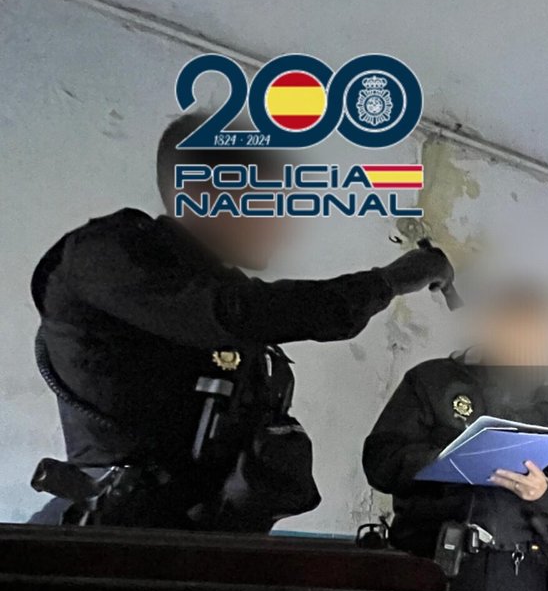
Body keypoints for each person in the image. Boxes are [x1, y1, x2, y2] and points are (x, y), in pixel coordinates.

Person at [29, 111, 452, 529]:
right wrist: (390, 281)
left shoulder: (208, 285)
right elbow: (240, 312)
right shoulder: (105, 256)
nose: (282, 222)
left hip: (197, 544)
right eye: (270, 199)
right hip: (109, 545)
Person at [363, 282, 548, 591]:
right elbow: (380, 461)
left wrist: (544, 492)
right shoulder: (433, 381)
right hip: (436, 561)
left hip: (519, 572)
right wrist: (449, 462)